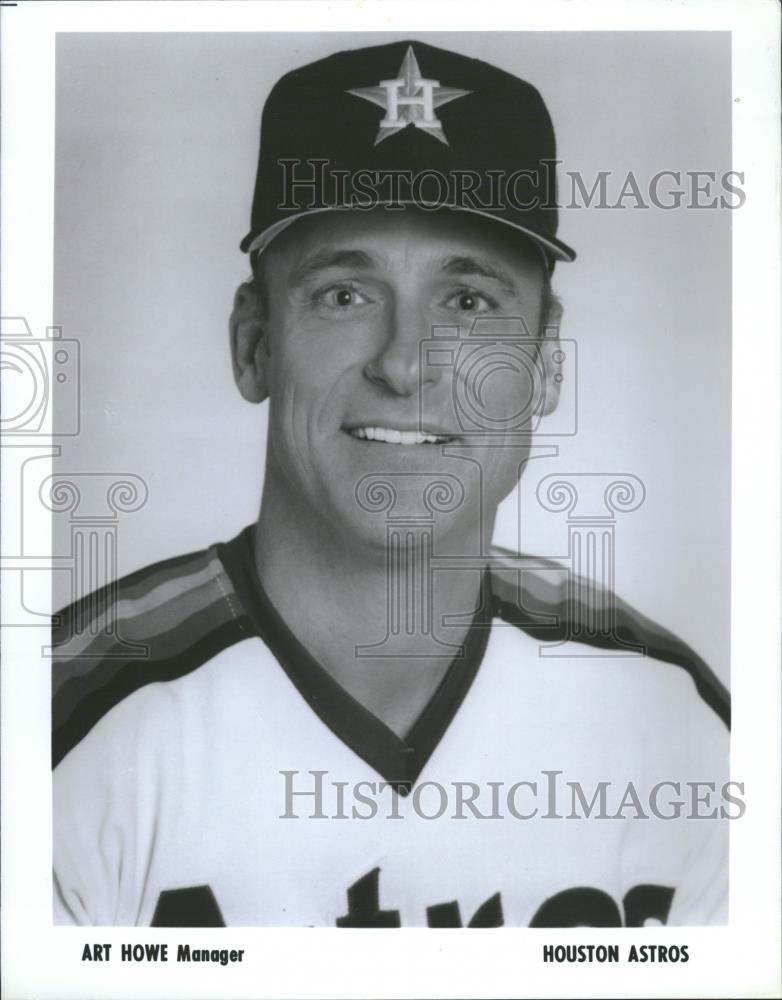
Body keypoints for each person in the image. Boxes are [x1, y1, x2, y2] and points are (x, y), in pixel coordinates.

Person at [52, 39, 730, 928]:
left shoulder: (675, 721)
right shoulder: (61, 725)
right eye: (344, 294)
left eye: (470, 302)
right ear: (254, 343)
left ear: (546, 366)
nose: (407, 363)